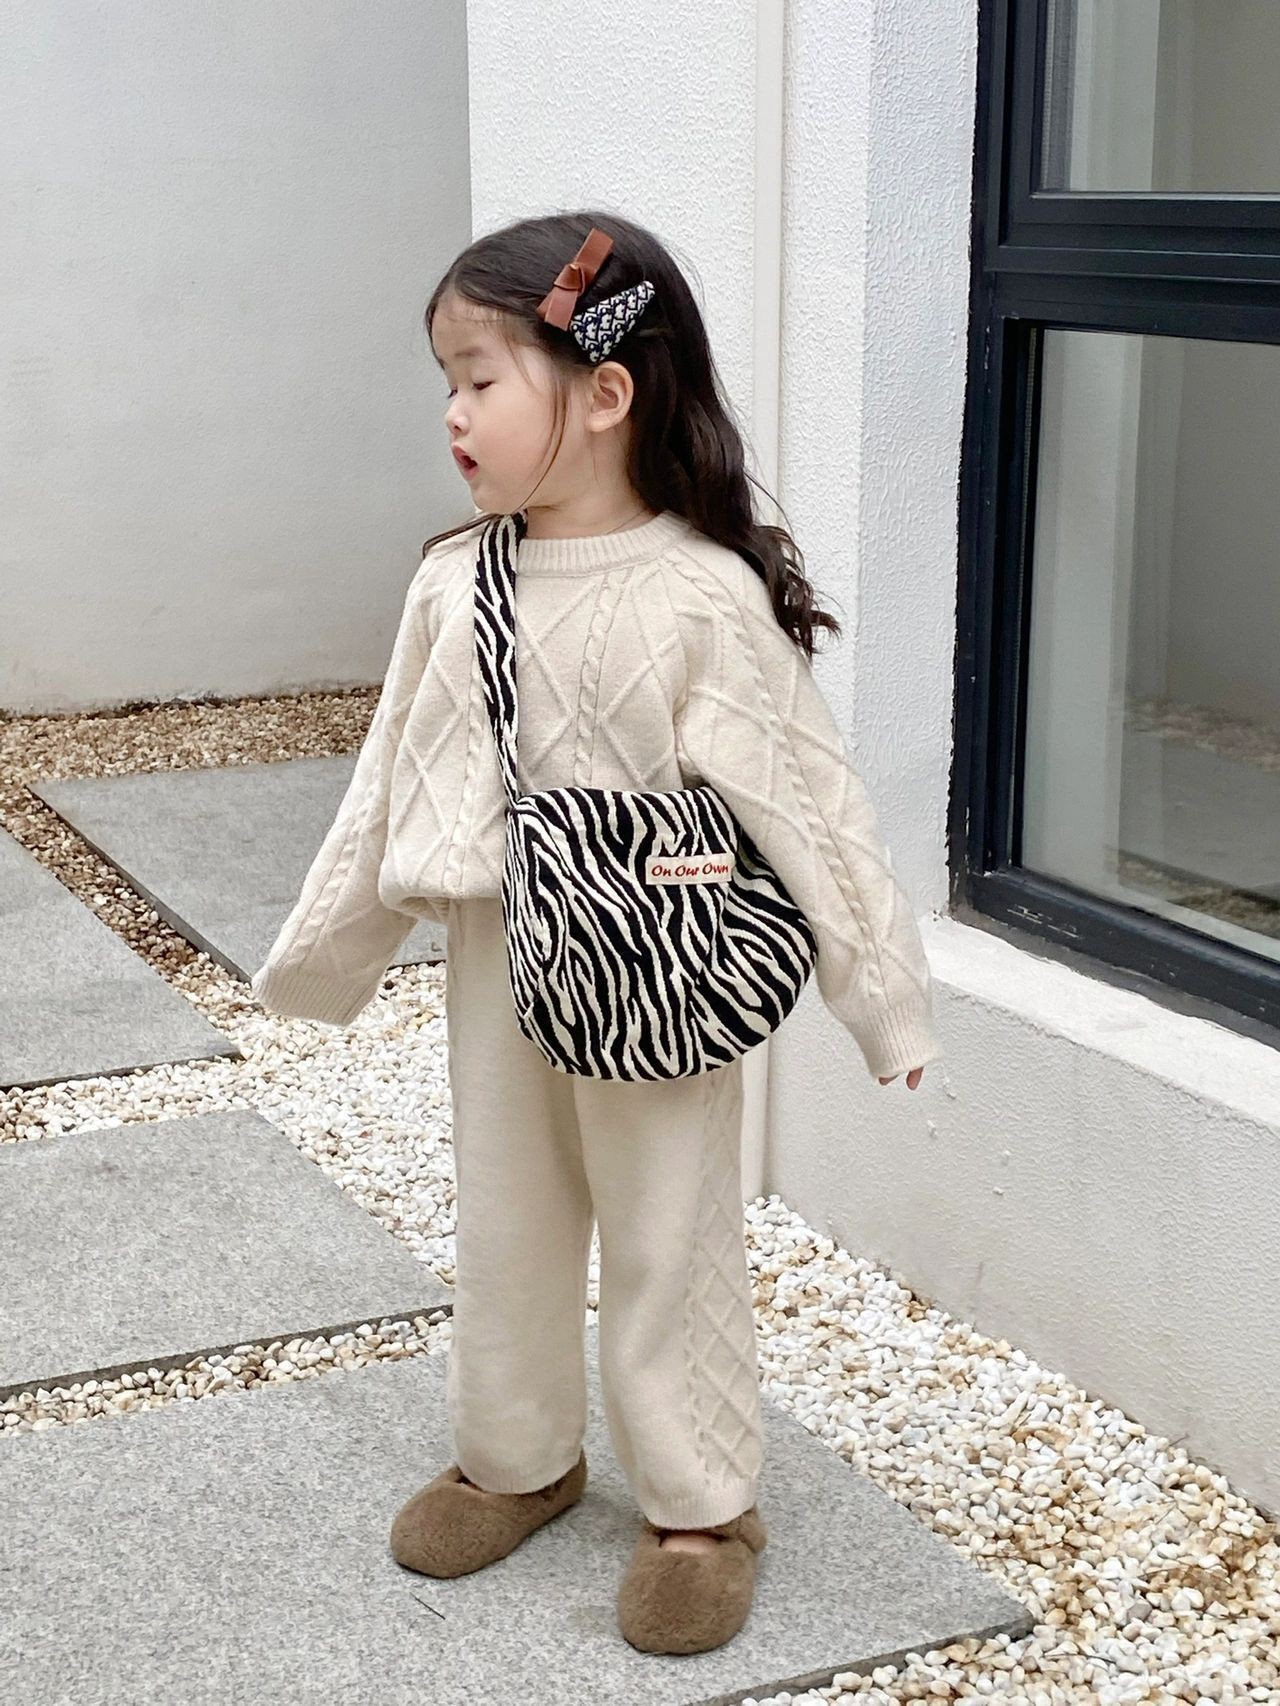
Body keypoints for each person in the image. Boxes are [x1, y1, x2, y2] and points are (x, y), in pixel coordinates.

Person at [250, 211, 943, 1656]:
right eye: (446, 382)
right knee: (504, 1216)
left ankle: (700, 1505)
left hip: (665, 962)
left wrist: (882, 996)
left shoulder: (698, 593)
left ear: (608, 390)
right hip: (495, 952)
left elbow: (808, 800)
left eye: (480, 378)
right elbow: (392, 784)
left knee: (668, 1226)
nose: (453, 413)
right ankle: (516, 1458)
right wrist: (325, 961)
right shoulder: (456, 581)